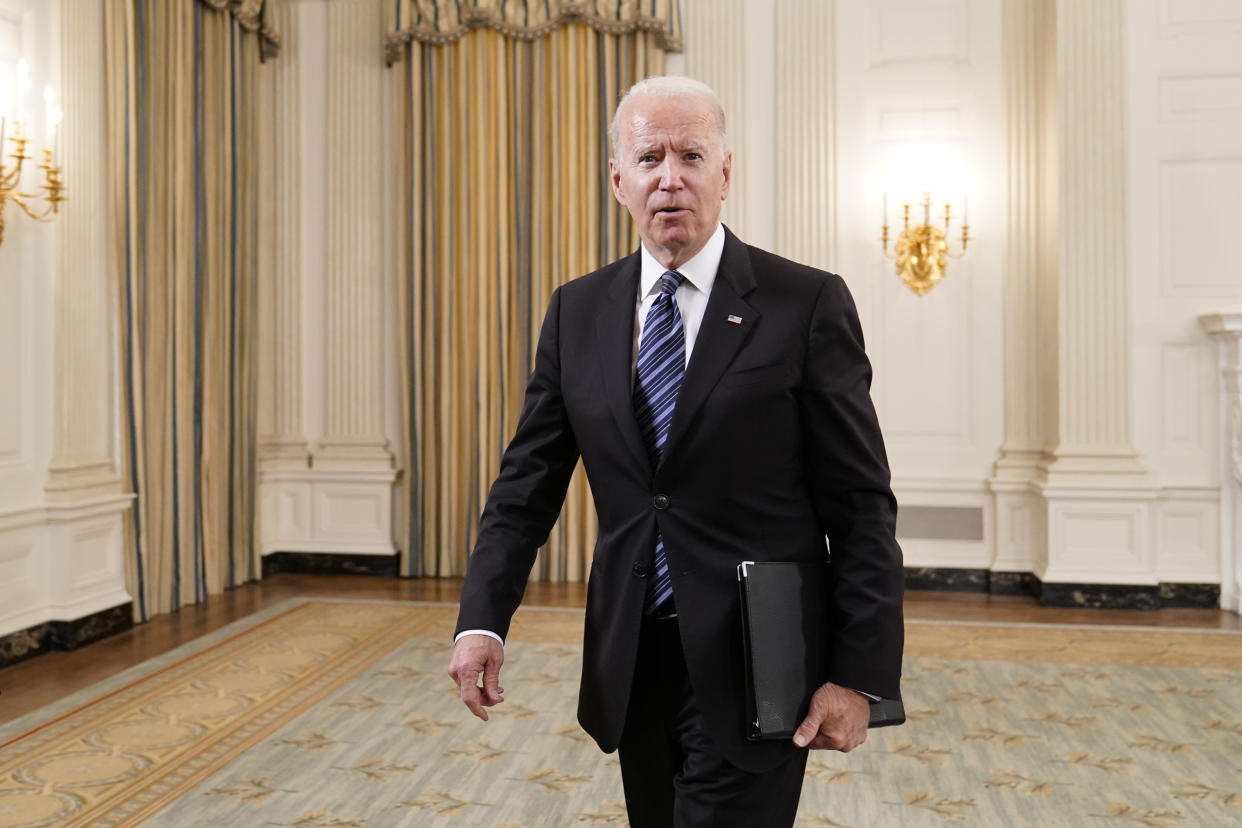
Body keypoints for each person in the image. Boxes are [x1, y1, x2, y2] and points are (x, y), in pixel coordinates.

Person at [447, 75, 904, 828]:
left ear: (725, 172)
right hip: (635, 660)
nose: (671, 176)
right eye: (650, 156)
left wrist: (858, 676)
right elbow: (526, 486)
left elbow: (860, 508)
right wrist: (481, 623)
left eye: (692, 155)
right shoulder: (578, 311)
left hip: (760, 661)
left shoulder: (806, 304)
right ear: (618, 178)